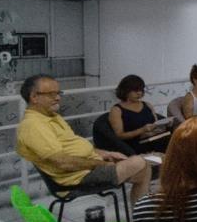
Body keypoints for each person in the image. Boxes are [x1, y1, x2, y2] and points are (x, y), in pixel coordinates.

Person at [16, 74, 151, 204]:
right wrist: (102, 164)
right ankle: (141, 216)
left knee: (144, 169)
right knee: (139, 162)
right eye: (51, 94)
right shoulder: (33, 125)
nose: (57, 98)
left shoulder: (52, 116)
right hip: (76, 178)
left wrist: (107, 154)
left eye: (58, 93)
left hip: (86, 168)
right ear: (34, 97)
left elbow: (75, 148)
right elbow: (63, 163)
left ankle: (140, 216)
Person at [108, 74, 170, 155]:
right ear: (126, 90)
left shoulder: (147, 105)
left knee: (174, 138)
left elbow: (155, 123)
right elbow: (120, 135)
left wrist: (164, 125)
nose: (139, 93)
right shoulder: (116, 110)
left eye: (141, 90)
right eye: (135, 90)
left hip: (152, 138)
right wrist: (141, 130)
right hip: (135, 144)